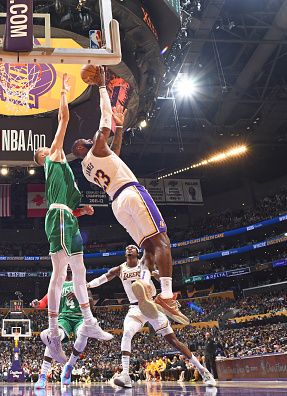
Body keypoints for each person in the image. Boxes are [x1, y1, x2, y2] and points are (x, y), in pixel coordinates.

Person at [72, 66, 189, 325]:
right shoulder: (95, 146)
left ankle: (147, 286)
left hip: (117, 204)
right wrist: (102, 86)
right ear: (81, 147)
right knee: (162, 240)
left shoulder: (87, 168)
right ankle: (167, 296)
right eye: (84, 141)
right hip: (131, 193)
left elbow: (115, 155)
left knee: (147, 245)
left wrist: (121, 127)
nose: (88, 140)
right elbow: (105, 117)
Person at [33, 73, 112, 363]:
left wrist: (83, 210)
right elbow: (63, 120)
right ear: (43, 155)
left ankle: (79, 324)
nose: (50, 145)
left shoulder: (63, 173)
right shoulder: (53, 157)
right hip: (59, 218)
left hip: (67, 218)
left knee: (76, 272)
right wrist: (63, 92)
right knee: (65, 273)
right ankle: (56, 332)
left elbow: (70, 206)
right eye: (45, 147)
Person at [87, 245, 216, 388]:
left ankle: (202, 370)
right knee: (127, 333)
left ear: (137, 252)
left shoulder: (145, 265)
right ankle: (125, 375)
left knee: (173, 341)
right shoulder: (119, 269)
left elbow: (160, 276)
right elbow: (102, 279)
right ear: (125, 254)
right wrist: (88, 285)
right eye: (127, 248)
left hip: (153, 304)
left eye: (133, 247)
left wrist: (160, 278)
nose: (129, 248)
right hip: (135, 307)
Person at [30, 269, 90, 388]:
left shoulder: (80, 281)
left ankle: (68, 367)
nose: (68, 266)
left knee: (84, 333)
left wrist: (85, 294)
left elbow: (91, 302)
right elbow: (44, 302)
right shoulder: (57, 283)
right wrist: (37, 304)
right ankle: (42, 376)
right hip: (63, 318)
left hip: (79, 317)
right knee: (52, 337)